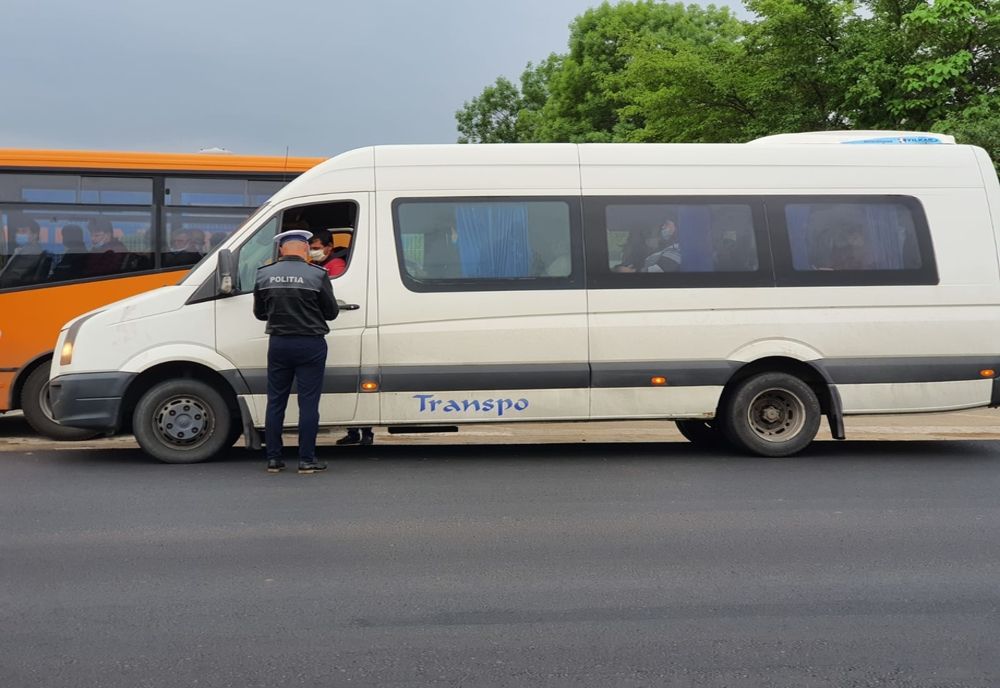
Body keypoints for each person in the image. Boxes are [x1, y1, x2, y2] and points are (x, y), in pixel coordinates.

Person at [253, 229, 339, 474]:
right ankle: (306, 460)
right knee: (308, 402)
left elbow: (260, 313)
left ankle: (273, 459)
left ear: (281, 249)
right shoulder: (317, 274)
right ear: (305, 249)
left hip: (279, 343)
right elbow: (331, 312)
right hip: (310, 344)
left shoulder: (264, 274)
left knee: (275, 401)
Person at [0, 216, 48, 287]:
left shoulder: (31, 252)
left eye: (23, 231)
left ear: (35, 235)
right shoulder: (24, 249)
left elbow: (12, 277)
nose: (19, 234)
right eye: (18, 231)